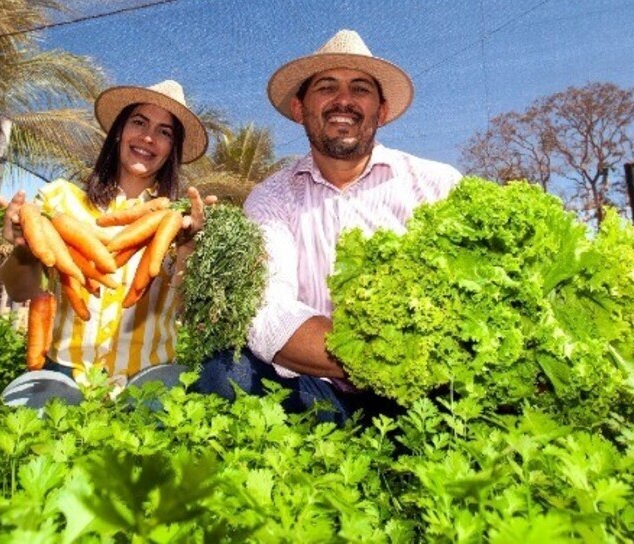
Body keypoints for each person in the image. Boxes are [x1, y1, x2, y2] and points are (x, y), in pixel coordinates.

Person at [196, 29, 462, 424]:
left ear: (381, 111)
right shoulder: (272, 199)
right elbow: (270, 311)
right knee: (225, 371)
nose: (343, 100)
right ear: (301, 108)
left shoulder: (437, 185)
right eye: (326, 87)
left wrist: (418, 365)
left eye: (360, 89)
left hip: (430, 392)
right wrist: (380, 356)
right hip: (322, 393)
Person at [0, 80, 214, 410]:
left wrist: (188, 251)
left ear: (173, 149)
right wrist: (25, 248)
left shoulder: (182, 220)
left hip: (150, 384)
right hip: (65, 376)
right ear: (118, 131)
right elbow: (19, 291)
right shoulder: (60, 202)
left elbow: (188, 307)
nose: (148, 138)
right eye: (139, 122)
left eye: (164, 132)